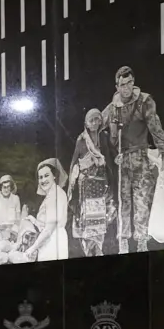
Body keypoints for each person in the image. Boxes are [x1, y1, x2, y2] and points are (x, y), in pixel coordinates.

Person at [102, 65, 164, 252]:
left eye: (129, 83)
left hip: (141, 157)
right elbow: (97, 123)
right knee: (123, 201)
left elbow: (155, 127)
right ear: (116, 86)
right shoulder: (113, 107)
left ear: (133, 82)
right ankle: (123, 241)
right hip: (122, 160)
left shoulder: (144, 101)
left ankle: (141, 242)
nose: (125, 88)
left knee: (141, 201)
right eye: (122, 84)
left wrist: (163, 152)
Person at [68, 108, 115, 256]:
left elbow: (110, 156)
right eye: (92, 120)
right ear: (86, 123)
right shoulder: (82, 139)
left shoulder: (104, 137)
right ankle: (89, 252)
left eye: (97, 119)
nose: (95, 123)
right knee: (87, 219)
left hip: (102, 184)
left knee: (102, 217)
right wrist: (74, 178)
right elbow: (75, 161)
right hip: (86, 186)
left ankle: (98, 250)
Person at [18, 158, 70, 262]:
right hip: (48, 241)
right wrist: (34, 220)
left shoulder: (55, 195)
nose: (43, 180)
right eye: (40, 177)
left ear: (54, 176)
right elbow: (47, 225)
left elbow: (49, 229)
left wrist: (31, 249)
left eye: (46, 176)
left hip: (54, 242)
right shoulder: (51, 194)